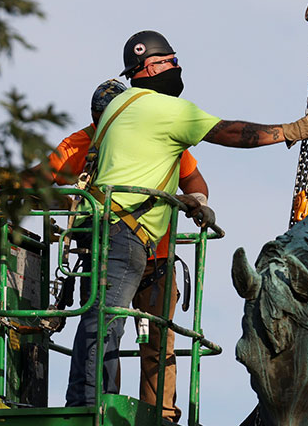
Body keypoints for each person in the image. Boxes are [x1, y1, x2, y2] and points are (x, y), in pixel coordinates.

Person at [65, 30, 308, 414]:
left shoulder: (122, 107)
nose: (177, 67)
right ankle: (88, 409)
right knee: (106, 322)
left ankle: (98, 404)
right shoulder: (160, 108)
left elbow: (164, 170)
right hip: (123, 233)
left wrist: (194, 199)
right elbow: (229, 132)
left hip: (108, 231)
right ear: (149, 68)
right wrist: (291, 131)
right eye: (171, 61)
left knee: (105, 320)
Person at [33, 79, 206, 420]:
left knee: (158, 339)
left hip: (156, 256)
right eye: (100, 119)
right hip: (104, 250)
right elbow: (41, 178)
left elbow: (194, 180)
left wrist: (196, 201)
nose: (106, 126)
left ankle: (161, 415)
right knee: (104, 325)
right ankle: (101, 402)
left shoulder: (156, 135)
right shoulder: (82, 143)